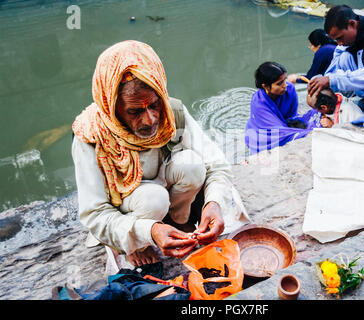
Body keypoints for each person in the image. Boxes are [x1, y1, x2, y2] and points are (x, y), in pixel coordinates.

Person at [71, 40, 250, 268]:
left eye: (154, 105)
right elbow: (95, 214)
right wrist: (149, 230)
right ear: (112, 106)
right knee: (153, 199)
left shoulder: (171, 111)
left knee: (193, 166)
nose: (151, 119)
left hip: (164, 182)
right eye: (135, 111)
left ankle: (179, 220)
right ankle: (137, 245)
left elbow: (216, 165)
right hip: (128, 202)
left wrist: (213, 204)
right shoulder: (90, 135)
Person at [245, 61, 322, 154]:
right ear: (265, 86)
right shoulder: (258, 103)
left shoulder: (289, 89)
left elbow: (292, 116)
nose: (285, 85)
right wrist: (306, 133)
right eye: (279, 83)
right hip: (264, 132)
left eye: (285, 80)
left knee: (318, 115)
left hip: (284, 124)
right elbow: (277, 132)